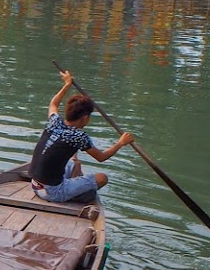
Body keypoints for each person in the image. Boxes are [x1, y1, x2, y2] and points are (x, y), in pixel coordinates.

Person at [29, 71, 134, 203]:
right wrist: (120, 143)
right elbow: (101, 157)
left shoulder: (54, 122)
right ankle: (74, 195)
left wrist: (67, 85)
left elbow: (53, 104)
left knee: (74, 163)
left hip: (34, 185)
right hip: (52, 193)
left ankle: (72, 185)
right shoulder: (79, 136)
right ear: (85, 118)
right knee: (102, 178)